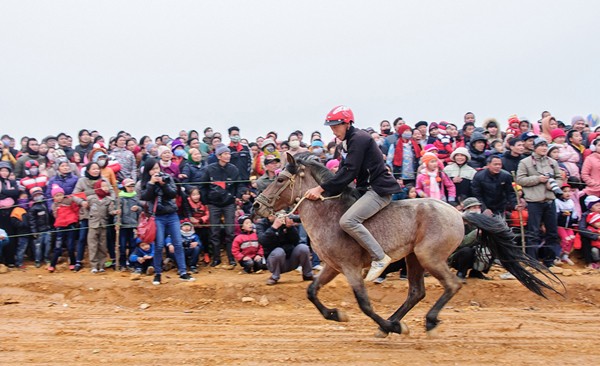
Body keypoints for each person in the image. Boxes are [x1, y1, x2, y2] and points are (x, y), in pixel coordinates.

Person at [304, 105, 401, 282]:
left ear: (347, 123)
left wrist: (320, 188)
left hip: (378, 190)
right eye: (331, 127)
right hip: (364, 190)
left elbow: (349, 172)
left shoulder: (360, 138)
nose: (333, 131)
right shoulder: (346, 143)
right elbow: (342, 171)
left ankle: (379, 257)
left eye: (336, 126)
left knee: (348, 220)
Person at [140, 157, 195, 285]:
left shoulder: (167, 177)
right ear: (148, 171)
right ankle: (158, 274)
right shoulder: (145, 182)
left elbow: (172, 194)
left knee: (178, 243)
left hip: (171, 214)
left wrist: (163, 184)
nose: (156, 171)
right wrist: (152, 184)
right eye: (153, 169)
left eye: (157, 168)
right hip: (157, 217)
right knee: (159, 245)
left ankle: (183, 272)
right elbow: (145, 197)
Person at [516, 137, 563, 267]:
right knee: (533, 232)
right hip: (534, 201)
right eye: (541, 145)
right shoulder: (525, 162)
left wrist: (554, 185)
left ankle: (549, 261)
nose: (543, 148)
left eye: (545, 145)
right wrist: (538, 179)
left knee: (552, 232)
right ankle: (532, 261)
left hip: (550, 200)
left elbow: (560, 178)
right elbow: (520, 179)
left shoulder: (552, 162)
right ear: (535, 147)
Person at [200, 144, 244, 267]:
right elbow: (202, 186)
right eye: (225, 154)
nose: (228, 156)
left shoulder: (233, 169)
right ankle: (216, 258)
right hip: (213, 204)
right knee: (214, 232)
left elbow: (239, 185)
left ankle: (231, 258)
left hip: (229, 203)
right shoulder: (210, 169)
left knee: (230, 232)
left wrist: (237, 196)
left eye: (229, 153)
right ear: (219, 156)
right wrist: (206, 201)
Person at [256, 211, 312, 285]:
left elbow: (296, 241)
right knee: (279, 251)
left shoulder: (285, 223)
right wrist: (274, 227)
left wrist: (290, 228)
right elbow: (263, 241)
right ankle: (275, 276)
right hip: (274, 261)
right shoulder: (262, 224)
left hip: (291, 260)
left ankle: (307, 275)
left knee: (303, 248)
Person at [87, 180, 119, 273]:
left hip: (103, 224)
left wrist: (115, 212)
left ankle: (101, 265)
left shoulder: (108, 200)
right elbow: (85, 208)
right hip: (93, 225)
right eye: (103, 186)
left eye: (107, 186)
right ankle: (93, 265)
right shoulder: (91, 198)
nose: (106, 188)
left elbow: (110, 211)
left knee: (102, 245)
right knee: (93, 245)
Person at [48, 184, 80, 273]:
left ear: (63, 194)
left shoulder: (69, 200)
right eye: (56, 196)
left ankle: (72, 262)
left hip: (70, 224)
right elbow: (55, 215)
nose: (59, 197)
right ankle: (52, 264)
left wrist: (76, 219)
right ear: (53, 197)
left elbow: (76, 208)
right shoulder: (54, 205)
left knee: (70, 246)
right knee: (58, 246)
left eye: (60, 195)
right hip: (60, 225)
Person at [118, 178, 141, 269]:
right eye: (129, 186)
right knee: (122, 246)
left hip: (133, 225)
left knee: (133, 245)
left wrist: (138, 208)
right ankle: (122, 263)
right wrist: (117, 223)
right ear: (124, 187)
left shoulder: (136, 197)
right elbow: (118, 212)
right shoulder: (120, 198)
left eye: (132, 186)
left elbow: (141, 210)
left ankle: (132, 263)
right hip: (123, 225)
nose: (131, 188)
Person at [28, 187, 52, 267]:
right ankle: (37, 260)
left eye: (39, 195)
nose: (38, 197)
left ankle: (47, 258)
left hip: (47, 229)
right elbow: (32, 221)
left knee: (48, 245)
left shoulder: (45, 205)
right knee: (38, 246)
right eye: (36, 195)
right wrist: (34, 231)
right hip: (39, 231)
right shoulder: (33, 208)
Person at [555, 184, 578, 265]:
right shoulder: (557, 202)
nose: (568, 193)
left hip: (569, 226)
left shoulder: (571, 202)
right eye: (565, 191)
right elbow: (555, 215)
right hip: (560, 225)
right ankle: (557, 256)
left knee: (572, 238)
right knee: (566, 239)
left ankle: (565, 255)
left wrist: (574, 219)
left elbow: (575, 214)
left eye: (569, 191)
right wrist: (562, 215)